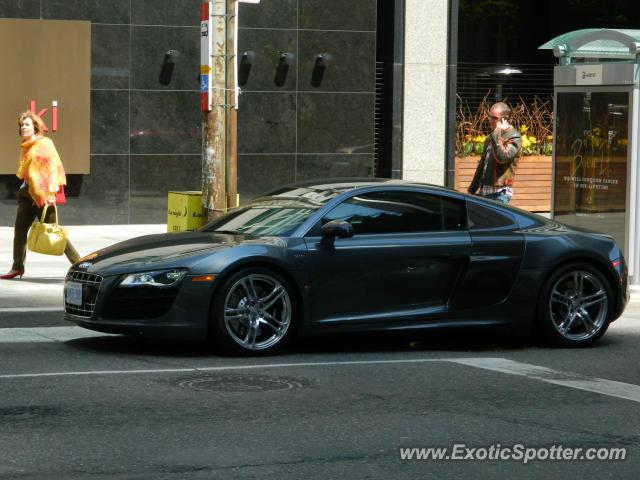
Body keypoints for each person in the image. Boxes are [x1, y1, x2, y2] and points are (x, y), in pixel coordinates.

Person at [1, 111, 80, 280]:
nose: (23, 128)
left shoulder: (45, 143)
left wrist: (51, 193)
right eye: (21, 125)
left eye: (27, 124)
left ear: (35, 127)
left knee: (53, 231)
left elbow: (51, 169)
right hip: (27, 193)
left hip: (44, 194)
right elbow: (28, 171)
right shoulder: (26, 145)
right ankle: (17, 267)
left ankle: (80, 264)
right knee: (20, 231)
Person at [467, 102, 522, 204]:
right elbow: (482, 165)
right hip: (484, 193)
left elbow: (502, 157)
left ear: (504, 119)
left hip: (500, 194)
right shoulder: (490, 138)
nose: (490, 120)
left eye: (494, 118)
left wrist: (497, 133)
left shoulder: (514, 136)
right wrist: (471, 190)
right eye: (489, 117)